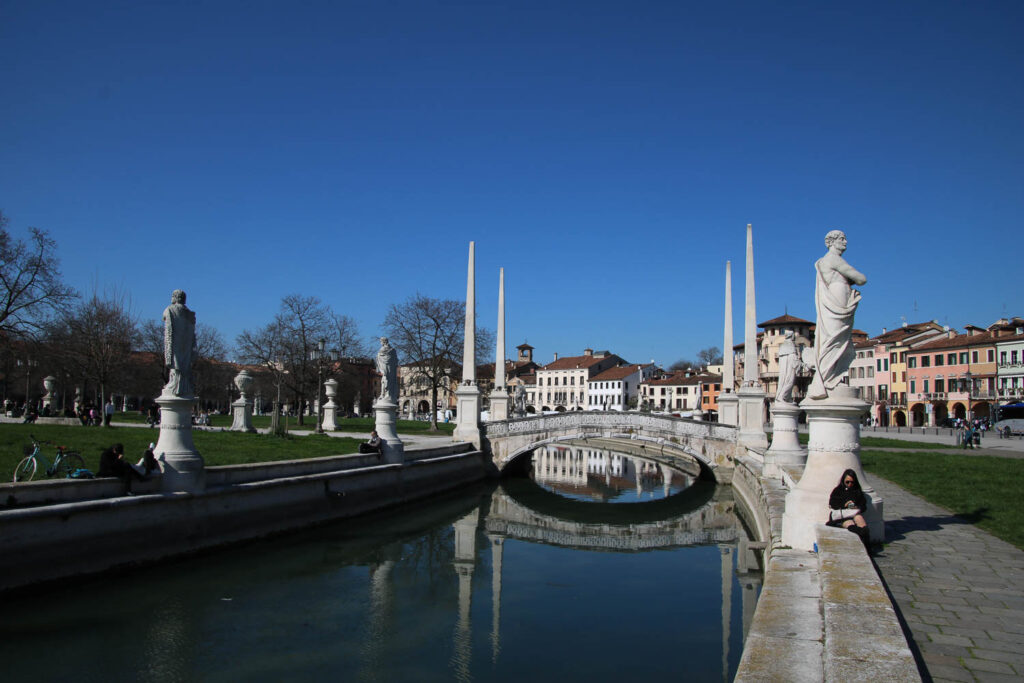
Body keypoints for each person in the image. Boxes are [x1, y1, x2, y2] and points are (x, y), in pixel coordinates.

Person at [808, 230, 867, 400]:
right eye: (842, 239)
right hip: (835, 305)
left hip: (838, 304)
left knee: (835, 340)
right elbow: (861, 279)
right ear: (832, 242)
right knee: (832, 340)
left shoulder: (826, 261)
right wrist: (850, 280)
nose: (845, 242)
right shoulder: (833, 259)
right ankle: (827, 379)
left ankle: (831, 378)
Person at [163, 289, 198, 398]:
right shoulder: (190, 314)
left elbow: (164, 316)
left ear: (175, 297)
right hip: (187, 344)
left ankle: (176, 385)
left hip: (176, 341)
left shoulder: (170, 309)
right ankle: (183, 385)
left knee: (176, 363)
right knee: (184, 364)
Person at [826, 468, 870, 550]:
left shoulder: (857, 491)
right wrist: (844, 505)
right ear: (843, 480)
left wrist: (857, 507)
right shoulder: (838, 491)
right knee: (849, 523)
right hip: (841, 516)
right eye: (847, 482)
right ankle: (861, 535)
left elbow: (863, 506)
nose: (849, 484)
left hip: (853, 513)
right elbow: (832, 504)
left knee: (860, 520)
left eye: (852, 482)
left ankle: (867, 547)